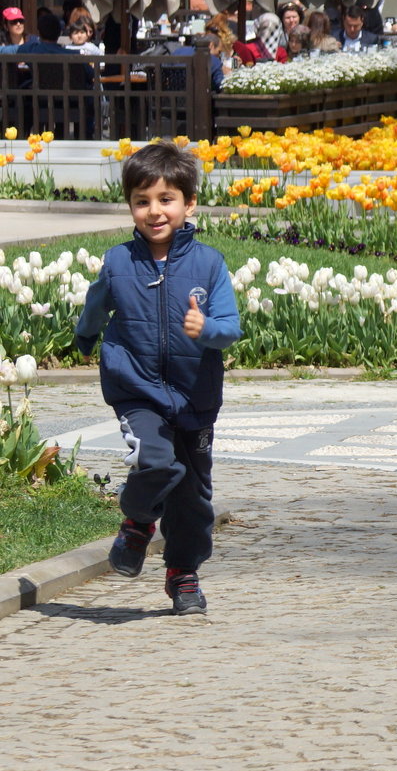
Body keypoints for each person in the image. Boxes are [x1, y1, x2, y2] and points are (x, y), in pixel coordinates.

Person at [75, 142, 242, 616]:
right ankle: (136, 525)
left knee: (192, 496)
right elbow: (95, 306)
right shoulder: (119, 262)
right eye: (142, 201)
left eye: (166, 199)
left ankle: (183, 575)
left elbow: (230, 327)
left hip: (195, 394)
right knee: (155, 461)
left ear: (189, 204)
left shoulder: (208, 264)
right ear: (130, 205)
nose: (154, 211)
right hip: (138, 388)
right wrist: (86, 338)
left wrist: (206, 329)